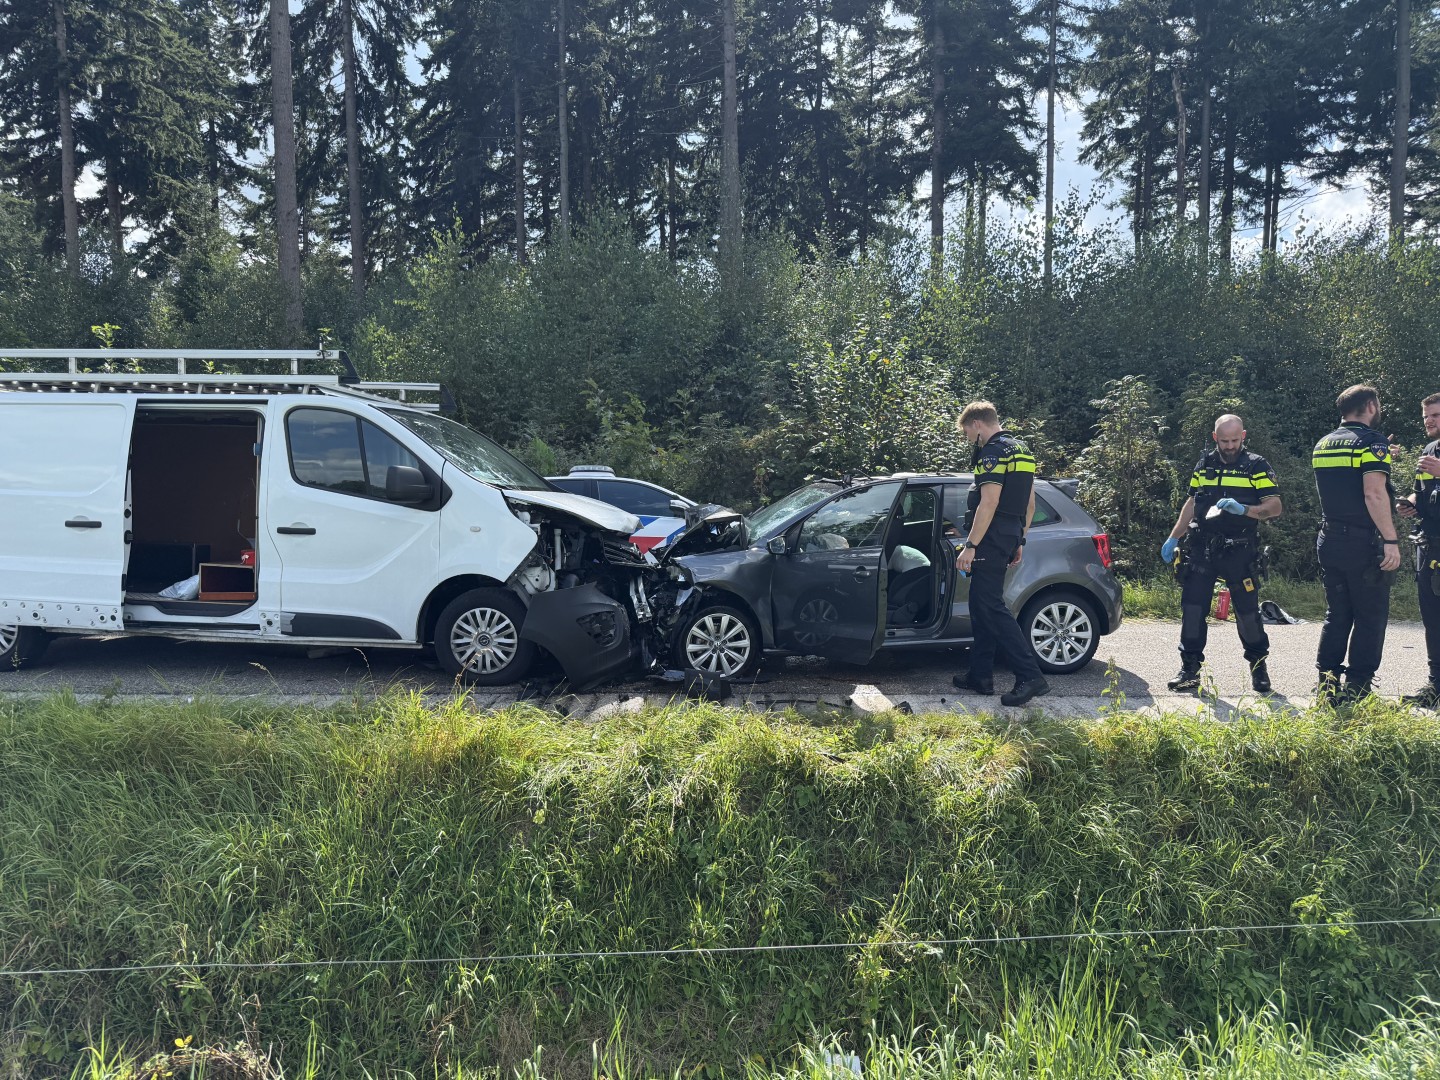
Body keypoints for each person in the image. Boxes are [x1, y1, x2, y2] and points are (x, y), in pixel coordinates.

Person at [1161, 414, 1283, 693]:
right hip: (1203, 546)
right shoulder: (1205, 463)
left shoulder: (1256, 465)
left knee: (1247, 613)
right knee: (1193, 609)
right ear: (1215, 437)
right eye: (1224, 440)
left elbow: (1274, 506)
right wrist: (1173, 537)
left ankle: (1258, 667)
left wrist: (1245, 510)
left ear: (1244, 436)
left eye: (1235, 440)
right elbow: (1192, 500)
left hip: (1240, 548)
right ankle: (1189, 670)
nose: (1230, 446)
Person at [952, 401, 1049, 706]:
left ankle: (1030, 676)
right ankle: (980, 675)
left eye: (967, 432)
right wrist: (1020, 539)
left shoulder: (992, 452)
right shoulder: (1022, 450)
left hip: (990, 537)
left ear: (978, 424)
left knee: (990, 605)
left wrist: (970, 545)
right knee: (981, 606)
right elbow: (1029, 503)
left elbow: (989, 503)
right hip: (1009, 534)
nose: (969, 439)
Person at [1312, 384, 1402, 701]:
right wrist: (1390, 539)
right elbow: (1372, 493)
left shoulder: (1324, 444)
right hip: (1362, 544)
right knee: (1370, 616)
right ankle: (1358, 688)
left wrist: (1379, 453)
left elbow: (1344, 482)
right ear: (1370, 405)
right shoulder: (1371, 442)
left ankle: (1326, 683)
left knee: (1337, 615)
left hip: (1329, 539)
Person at [1396, 392, 1440, 708]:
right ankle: (1435, 686)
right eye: (1426, 417)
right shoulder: (1428, 451)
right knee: (1433, 619)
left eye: (1436, 416)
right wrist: (1409, 504)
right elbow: (1419, 492)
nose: (1430, 422)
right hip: (1429, 545)